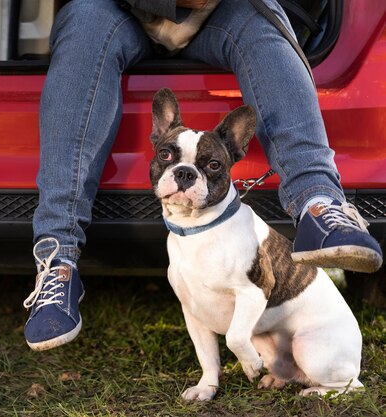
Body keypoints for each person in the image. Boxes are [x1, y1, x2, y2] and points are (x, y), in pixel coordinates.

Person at [22, 0, 383, 352]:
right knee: (82, 20)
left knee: (264, 24)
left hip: (222, 11)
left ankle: (318, 205)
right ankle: (58, 260)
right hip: (120, 8)